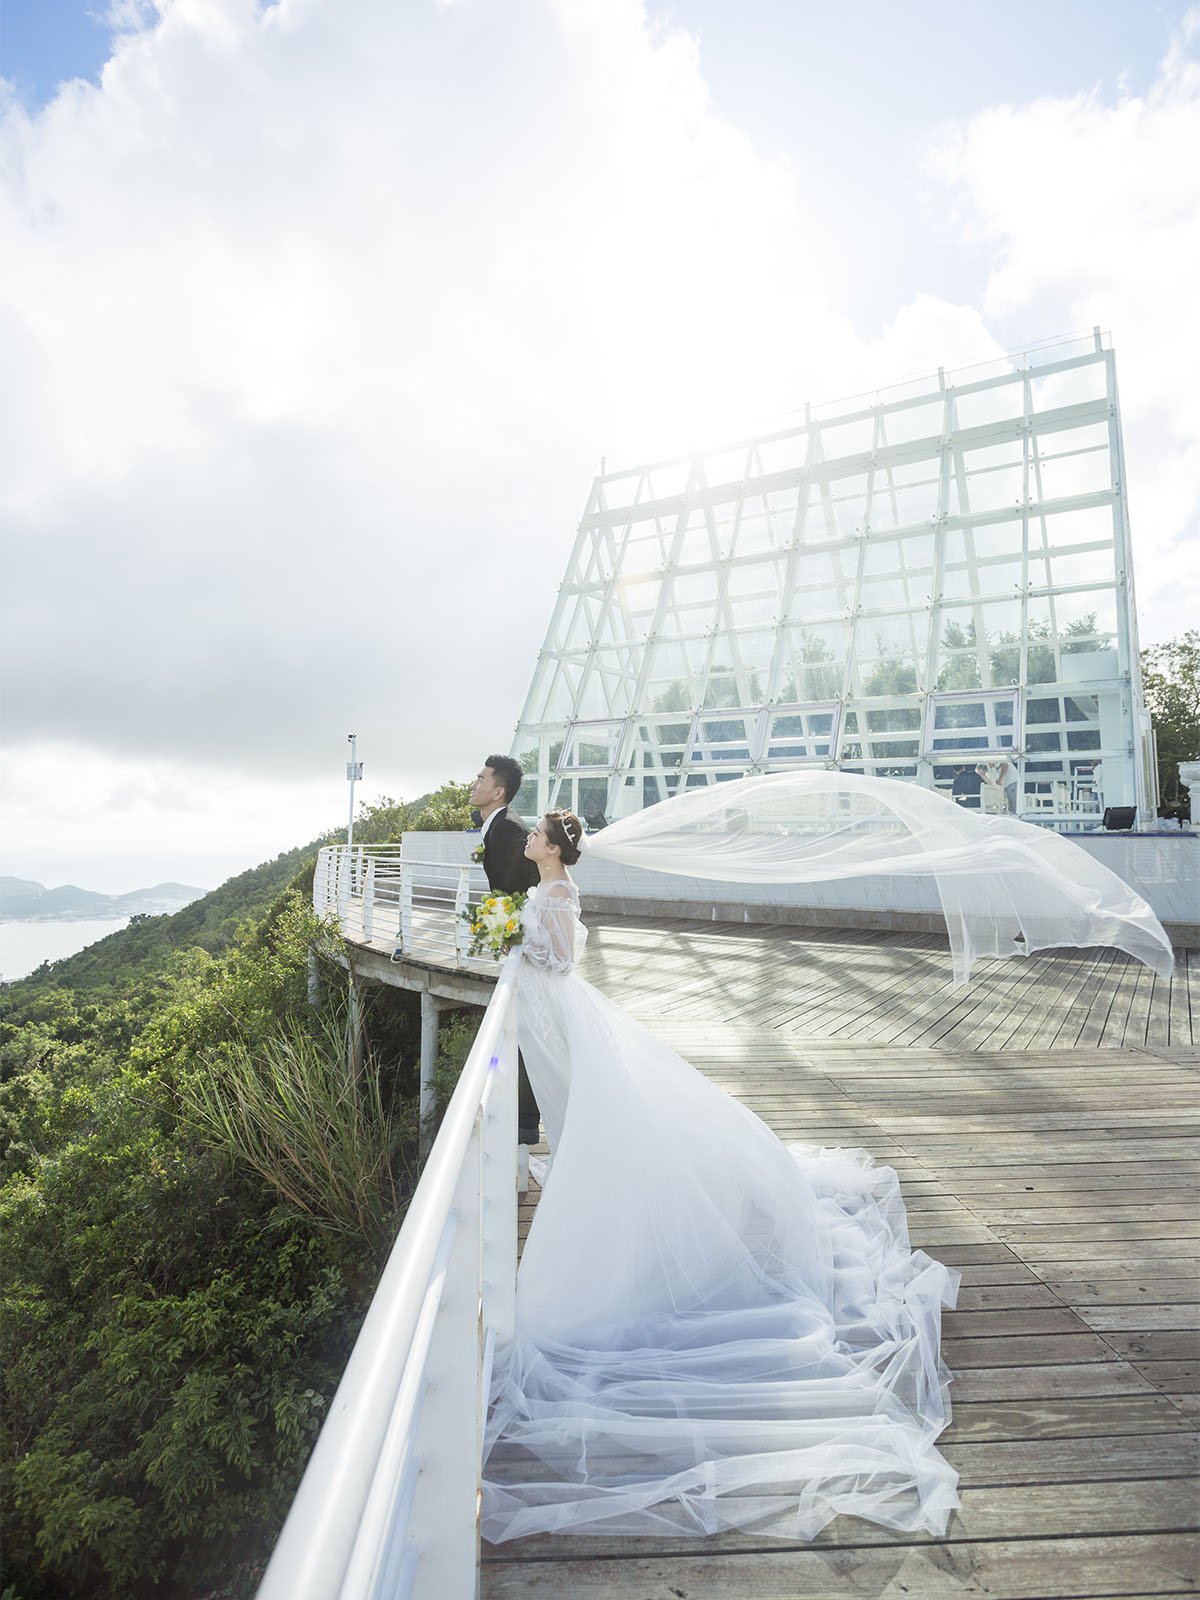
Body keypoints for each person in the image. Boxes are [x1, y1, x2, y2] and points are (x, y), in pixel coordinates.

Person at [481, 807, 961, 1545]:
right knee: (576, 1114)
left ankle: (607, 1201)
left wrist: (516, 939)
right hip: (549, 1019)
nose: (530, 841)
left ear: (554, 848)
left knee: (593, 1116)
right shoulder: (545, 889)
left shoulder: (560, 892)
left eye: (537, 835)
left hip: (561, 1013)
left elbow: (562, 961)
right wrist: (515, 933)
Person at [467, 756, 540, 1146]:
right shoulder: (497, 826)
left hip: (530, 946)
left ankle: (525, 1122)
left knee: (525, 1027)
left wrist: (506, 927)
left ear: (498, 791)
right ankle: (522, 1117)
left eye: (481, 779)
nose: (474, 783)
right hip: (523, 940)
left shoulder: (508, 830)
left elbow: (523, 889)